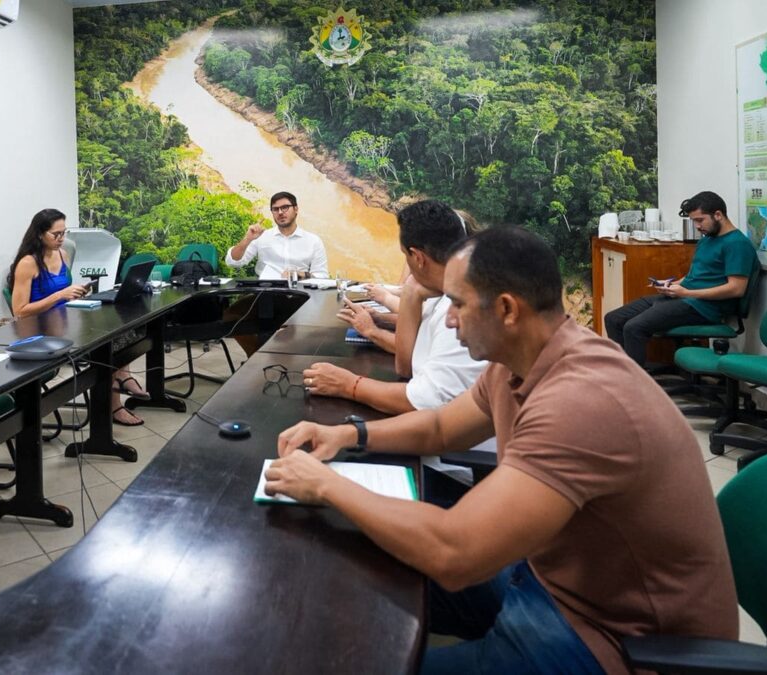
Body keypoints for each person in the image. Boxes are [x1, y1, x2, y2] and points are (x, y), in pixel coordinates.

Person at [268, 227, 737, 673]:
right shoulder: (518, 360)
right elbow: (439, 429)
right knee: (359, 572)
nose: (448, 319)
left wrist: (328, 484)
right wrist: (349, 435)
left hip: (612, 641)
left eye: (457, 304)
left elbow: (456, 554)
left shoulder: (582, 399)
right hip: (546, 579)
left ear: (507, 310)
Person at [300, 200, 492, 504]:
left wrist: (349, 385)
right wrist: (413, 296)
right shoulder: (443, 295)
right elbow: (410, 374)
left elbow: (422, 405)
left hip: (455, 473)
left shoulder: (465, 310)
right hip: (435, 447)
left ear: (417, 258)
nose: (455, 320)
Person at [7, 208, 150, 427]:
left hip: (66, 321)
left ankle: (121, 375)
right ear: (39, 234)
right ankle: (114, 403)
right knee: (111, 345)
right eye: (56, 235)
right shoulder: (28, 263)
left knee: (124, 329)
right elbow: (20, 311)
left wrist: (77, 291)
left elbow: (65, 292)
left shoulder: (63, 254)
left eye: (64, 233)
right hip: (41, 330)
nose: (61, 239)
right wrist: (59, 295)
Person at [604, 191, 759, 367]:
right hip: (685, 297)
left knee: (634, 328)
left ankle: (634, 387)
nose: (697, 226)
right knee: (613, 319)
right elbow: (694, 276)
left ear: (718, 215)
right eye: (694, 221)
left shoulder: (737, 244)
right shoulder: (707, 240)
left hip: (704, 307)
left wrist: (687, 292)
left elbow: (736, 288)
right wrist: (672, 284)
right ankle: (618, 373)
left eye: (700, 220)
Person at [225, 191, 329, 280]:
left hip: (301, 292)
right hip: (266, 291)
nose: (280, 212)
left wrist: (302, 274)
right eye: (275, 209)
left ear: (296, 209)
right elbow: (233, 262)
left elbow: (322, 276)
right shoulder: (261, 236)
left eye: (285, 207)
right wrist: (247, 239)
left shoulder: (313, 241)